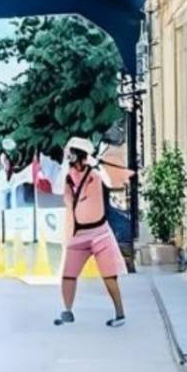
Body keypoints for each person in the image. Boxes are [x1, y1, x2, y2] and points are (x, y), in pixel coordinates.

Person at [55, 135, 127, 327]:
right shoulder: (68, 177)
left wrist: (95, 163)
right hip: (79, 235)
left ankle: (120, 313)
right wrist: (64, 165)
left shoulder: (95, 173)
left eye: (72, 153)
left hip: (100, 232)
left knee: (109, 275)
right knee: (68, 274)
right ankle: (67, 311)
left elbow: (110, 182)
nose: (69, 156)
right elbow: (57, 189)